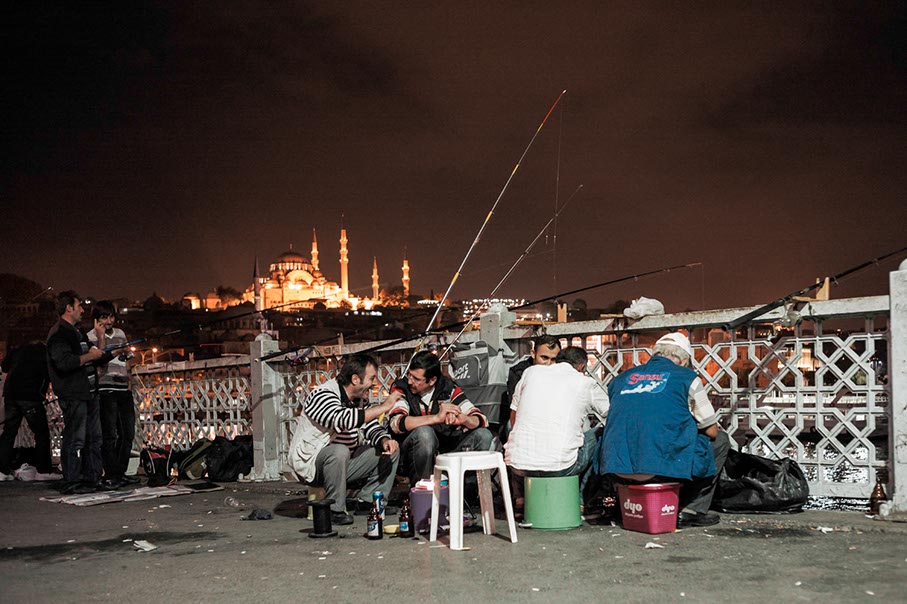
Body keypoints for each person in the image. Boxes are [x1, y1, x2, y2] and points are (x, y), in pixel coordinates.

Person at [594, 332, 730, 528]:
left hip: (616, 470)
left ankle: (617, 503)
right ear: (684, 361)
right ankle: (691, 510)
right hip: (660, 470)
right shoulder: (687, 378)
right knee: (721, 441)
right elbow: (711, 431)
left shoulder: (620, 379)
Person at [288, 353, 400, 526]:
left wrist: (384, 440)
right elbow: (343, 419)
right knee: (339, 450)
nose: (374, 383)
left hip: (345, 464)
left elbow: (370, 426)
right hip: (313, 466)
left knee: (390, 450)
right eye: (371, 378)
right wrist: (385, 406)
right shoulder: (322, 394)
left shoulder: (358, 399)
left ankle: (369, 502)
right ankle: (334, 510)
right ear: (355, 379)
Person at [388, 350, 493, 487]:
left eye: (416, 379)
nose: (410, 381)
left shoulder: (448, 389)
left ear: (432, 380)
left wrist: (464, 419)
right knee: (425, 433)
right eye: (409, 375)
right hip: (412, 456)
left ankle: (467, 491)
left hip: (445, 452)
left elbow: (481, 419)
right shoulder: (401, 388)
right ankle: (423, 490)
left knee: (483, 435)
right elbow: (397, 423)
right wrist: (436, 418)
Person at [505, 346, 609, 479]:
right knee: (601, 433)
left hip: (517, 465)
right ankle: (583, 491)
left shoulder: (531, 372)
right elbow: (612, 412)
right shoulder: (585, 382)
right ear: (582, 366)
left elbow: (514, 413)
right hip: (561, 466)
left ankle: (520, 491)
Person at [46, 291, 113, 494]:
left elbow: (98, 357)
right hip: (74, 394)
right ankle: (72, 480)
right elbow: (65, 363)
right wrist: (90, 355)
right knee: (75, 439)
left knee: (94, 438)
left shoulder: (77, 331)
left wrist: (100, 338)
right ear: (69, 308)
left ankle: (93, 478)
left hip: (89, 393)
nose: (83, 310)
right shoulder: (60, 333)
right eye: (79, 306)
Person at [87, 301, 139, 488]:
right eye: (104, 317)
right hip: (106, 389)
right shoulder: (90, 337)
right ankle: (111, 474)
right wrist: (102, 337)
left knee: (128, 433)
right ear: (96, 319)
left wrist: (129, 381)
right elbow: (98, 361)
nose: (109, 321)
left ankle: (121, 472)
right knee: (110, 434)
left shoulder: (120, 334)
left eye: (111, 317)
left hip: (123, 388)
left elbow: (126, 361)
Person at [0, 341, 60, 481]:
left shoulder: (17, 350)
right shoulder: (43, 353)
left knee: (9, 432)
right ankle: (43, 470)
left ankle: (2, 469)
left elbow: (5, 366)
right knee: (41, 432)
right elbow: (48, 373)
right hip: (30, 395)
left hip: (11, 394)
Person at [500, 335, 561, 442]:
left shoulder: (560, 371)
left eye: (553, 359)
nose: (548, 364)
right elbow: (516, 408)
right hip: (526, 418)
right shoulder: (519, 372)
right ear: (533, 353)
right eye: (544, 358)